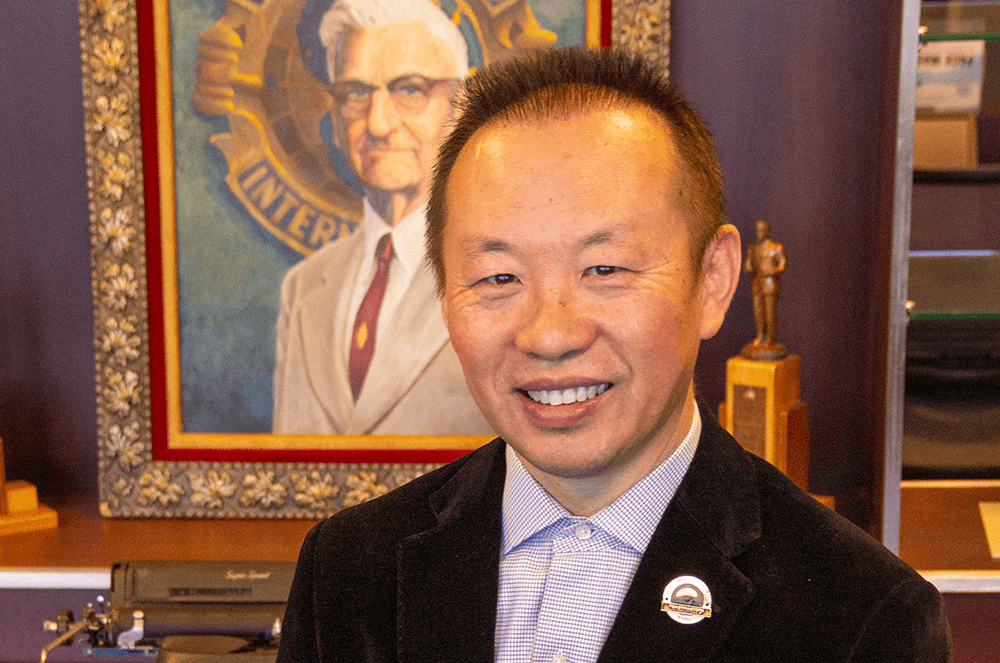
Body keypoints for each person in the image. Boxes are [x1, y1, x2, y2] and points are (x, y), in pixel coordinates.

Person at [277, 48, 951, 662]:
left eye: (604, 268)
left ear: (712, 280)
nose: (549, 333)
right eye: (498, 277)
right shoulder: (348, 572)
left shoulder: (861, 616)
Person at [272, 0, 492, 436]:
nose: (377, 123)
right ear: (334, 119)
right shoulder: (303, 286)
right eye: (355, 93)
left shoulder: (499, 274)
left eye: (409, 90)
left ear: (460, 107)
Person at [742, 219, 788, 360]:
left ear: (767, 231)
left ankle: (770, 338)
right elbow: (748, 267)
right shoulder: (753, 248)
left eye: (762, 230)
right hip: (757, 283)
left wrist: (772, 270)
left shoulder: (776, 247)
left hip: (770, 283)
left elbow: (782, 265)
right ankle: (760, 335)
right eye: (757, 230)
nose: (759, 233)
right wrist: (749, 260)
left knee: (769, 312)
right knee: (758, 312)